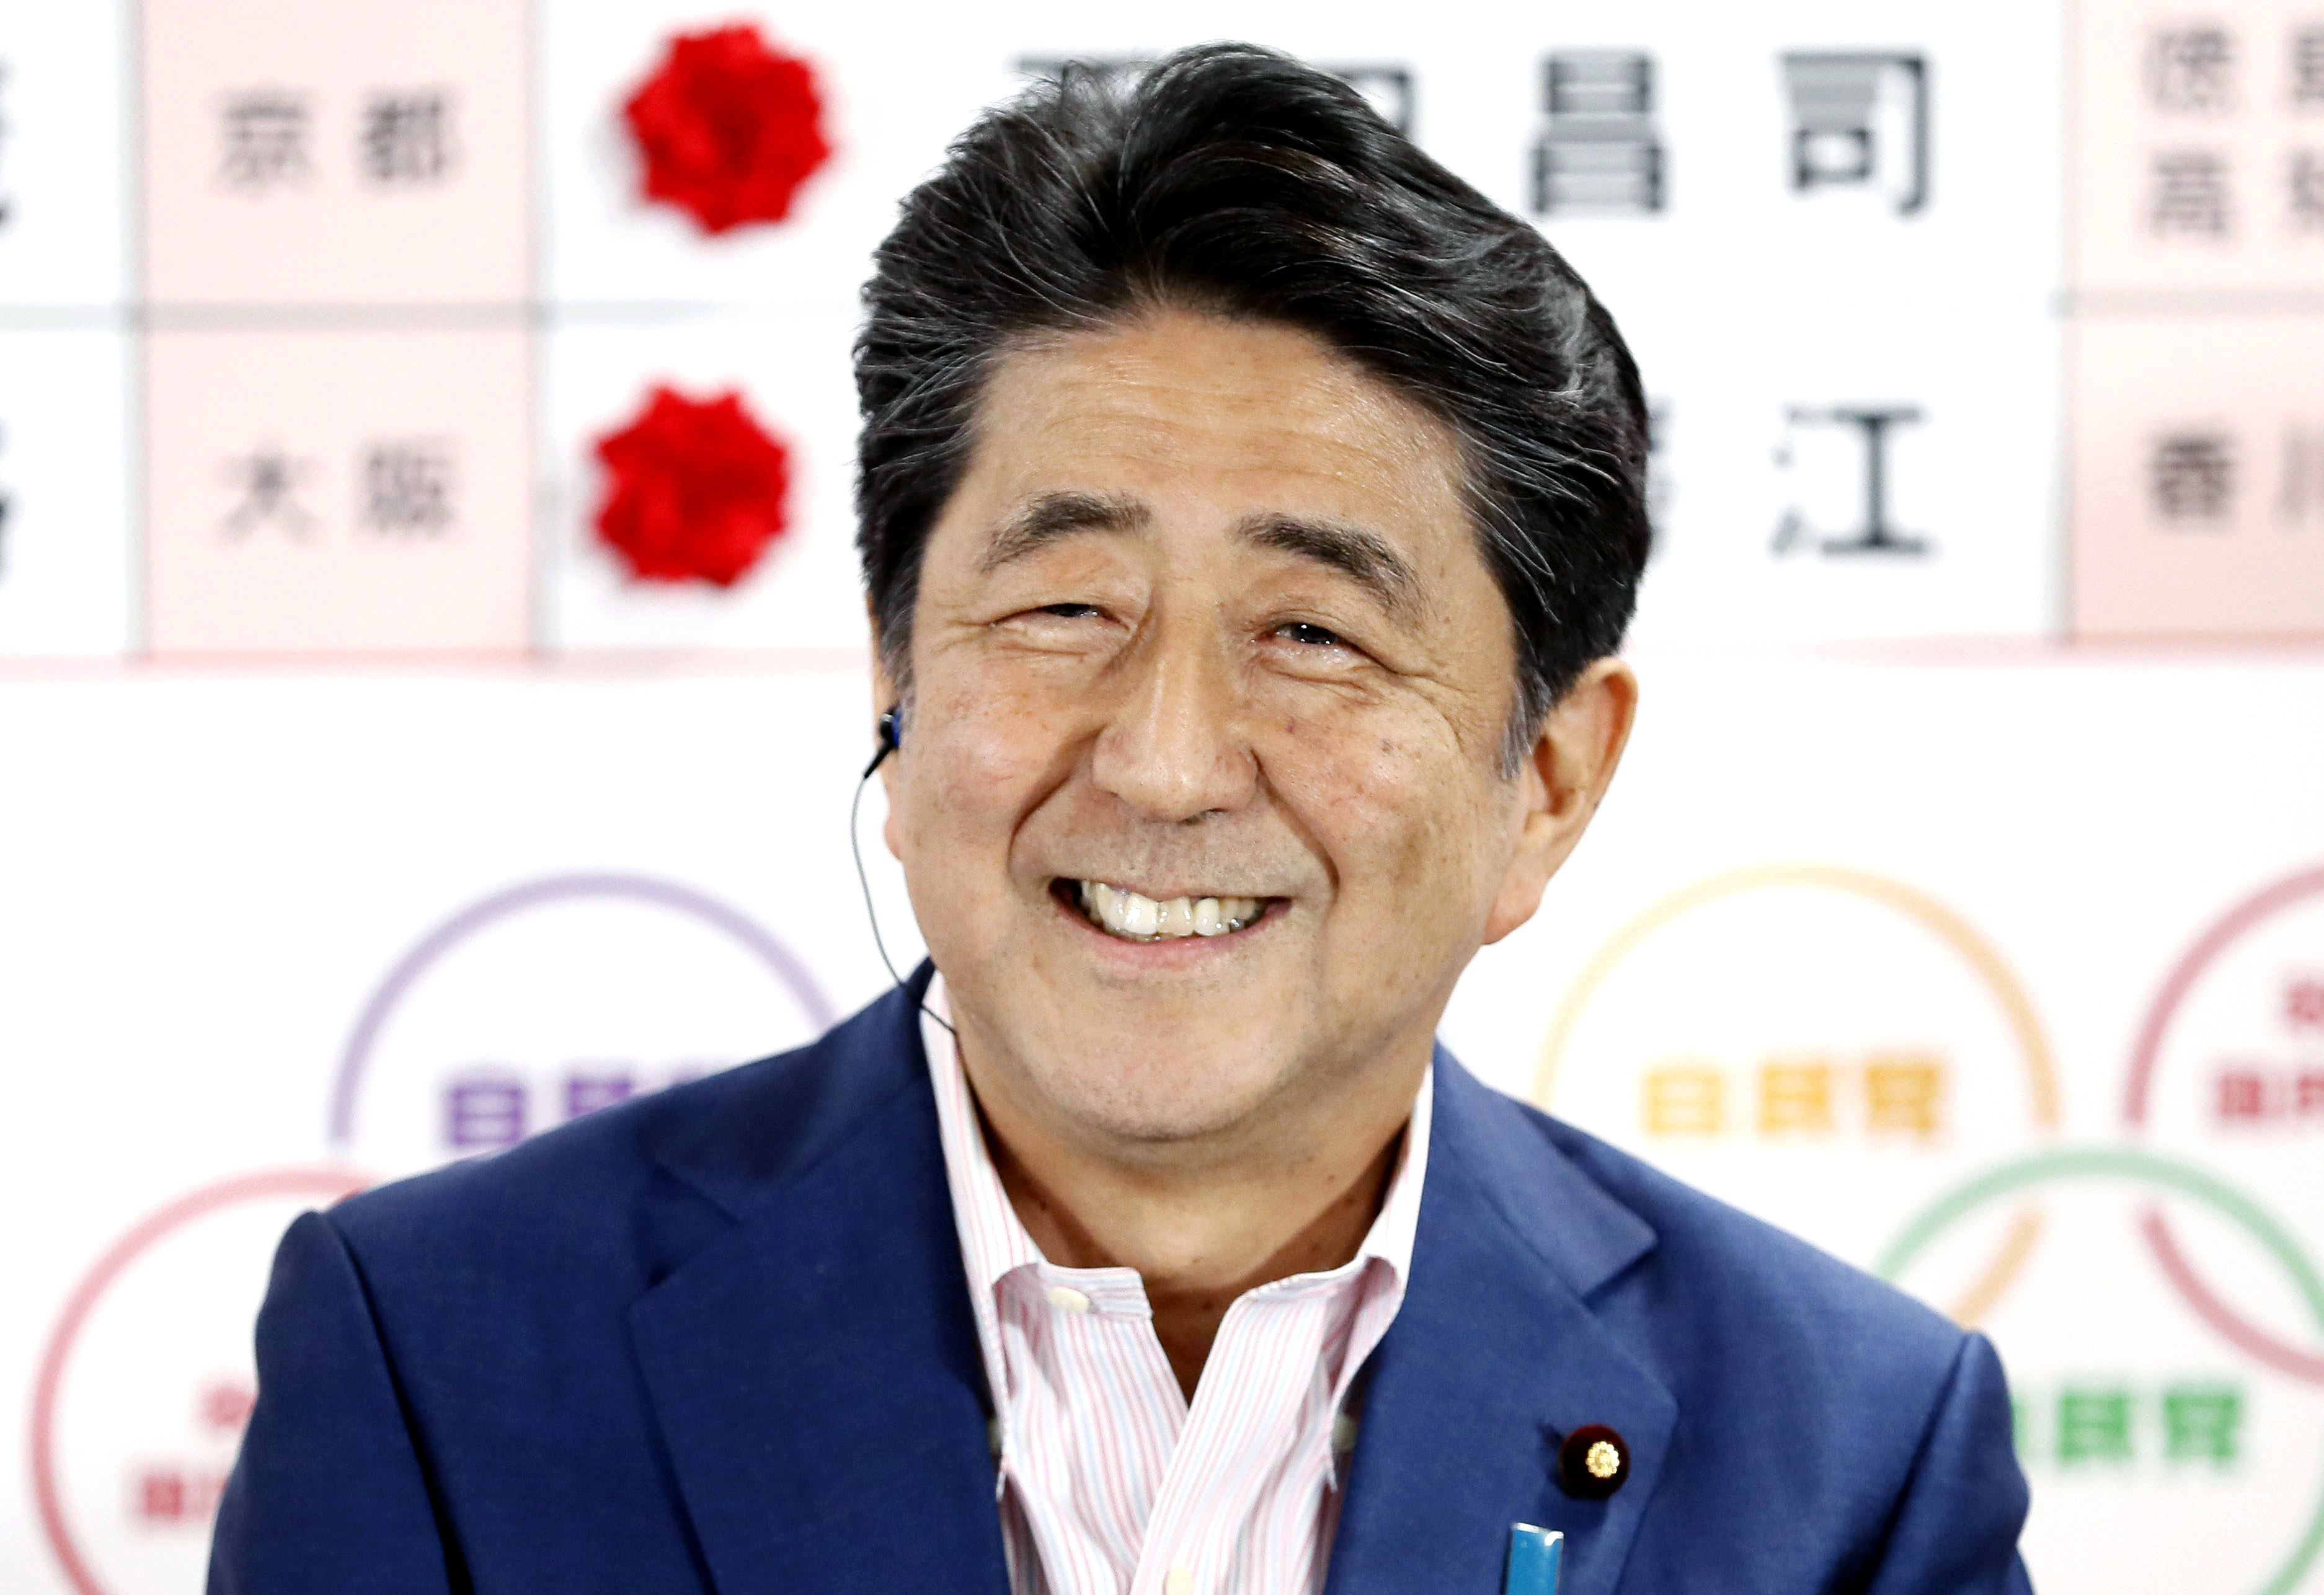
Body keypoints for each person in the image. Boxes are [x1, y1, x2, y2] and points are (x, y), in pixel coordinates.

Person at [211, 45, 2031, 1595]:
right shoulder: (438, 1354)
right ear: (894, 677)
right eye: (1065, 605)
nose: (1163, 765)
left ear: (1547, 780)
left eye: (1313, 636)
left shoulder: (1848, 1457)